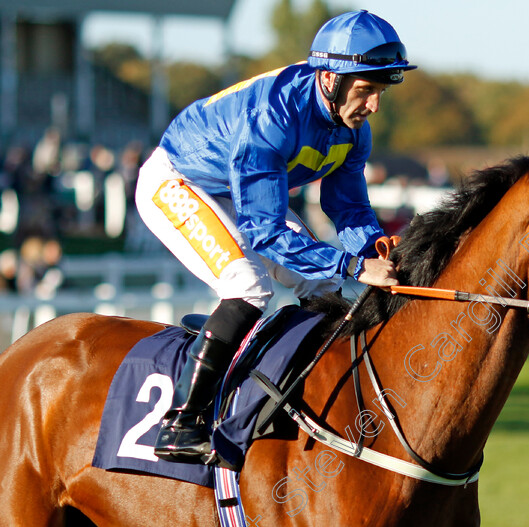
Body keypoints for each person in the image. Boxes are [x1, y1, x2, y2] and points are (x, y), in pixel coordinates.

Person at [134, 10, 414, 464]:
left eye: (380, 91)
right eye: (366, 90)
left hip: (238, 191)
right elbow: (263, 233)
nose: (373, 106)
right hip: (179, 181)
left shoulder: (352, 129)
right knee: (247, 285)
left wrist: (373, 249)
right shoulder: (274, 116)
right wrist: (354, 266)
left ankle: (306, 399)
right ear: (329, 79)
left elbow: (348, 208)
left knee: (324, 290)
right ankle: (181, 424)